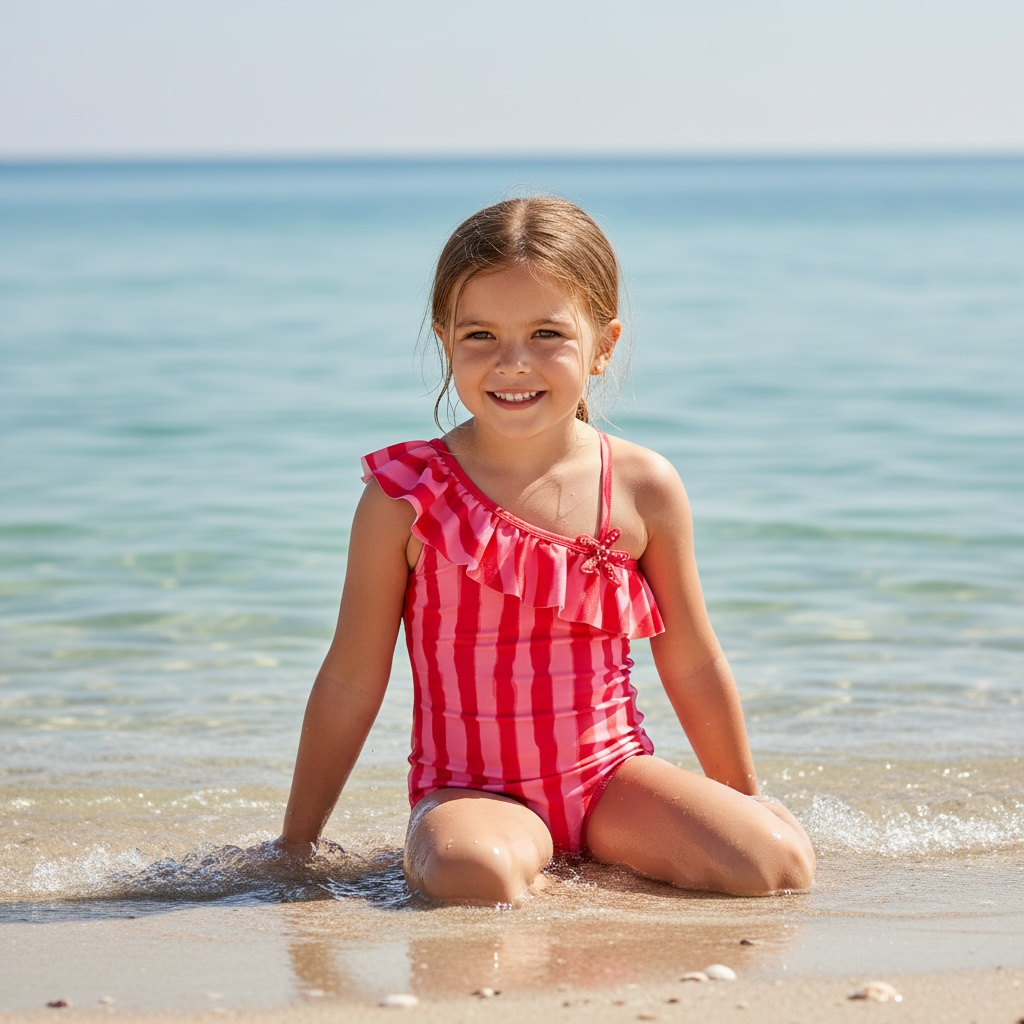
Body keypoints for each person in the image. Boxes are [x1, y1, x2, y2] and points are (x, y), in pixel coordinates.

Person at [274, 196, 815, 904]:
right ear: (444, 341)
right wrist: (295, 845)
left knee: (775, 865)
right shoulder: (406, 499)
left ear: (603, 346)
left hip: (611, 781)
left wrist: (745, 799)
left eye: (546, 333)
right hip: (473, 793)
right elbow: (351, 681)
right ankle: (519, 865)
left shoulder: (643, 486)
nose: (512, 363)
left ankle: (581, 873)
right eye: (480, 336)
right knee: (477, 877)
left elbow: (691, 659)